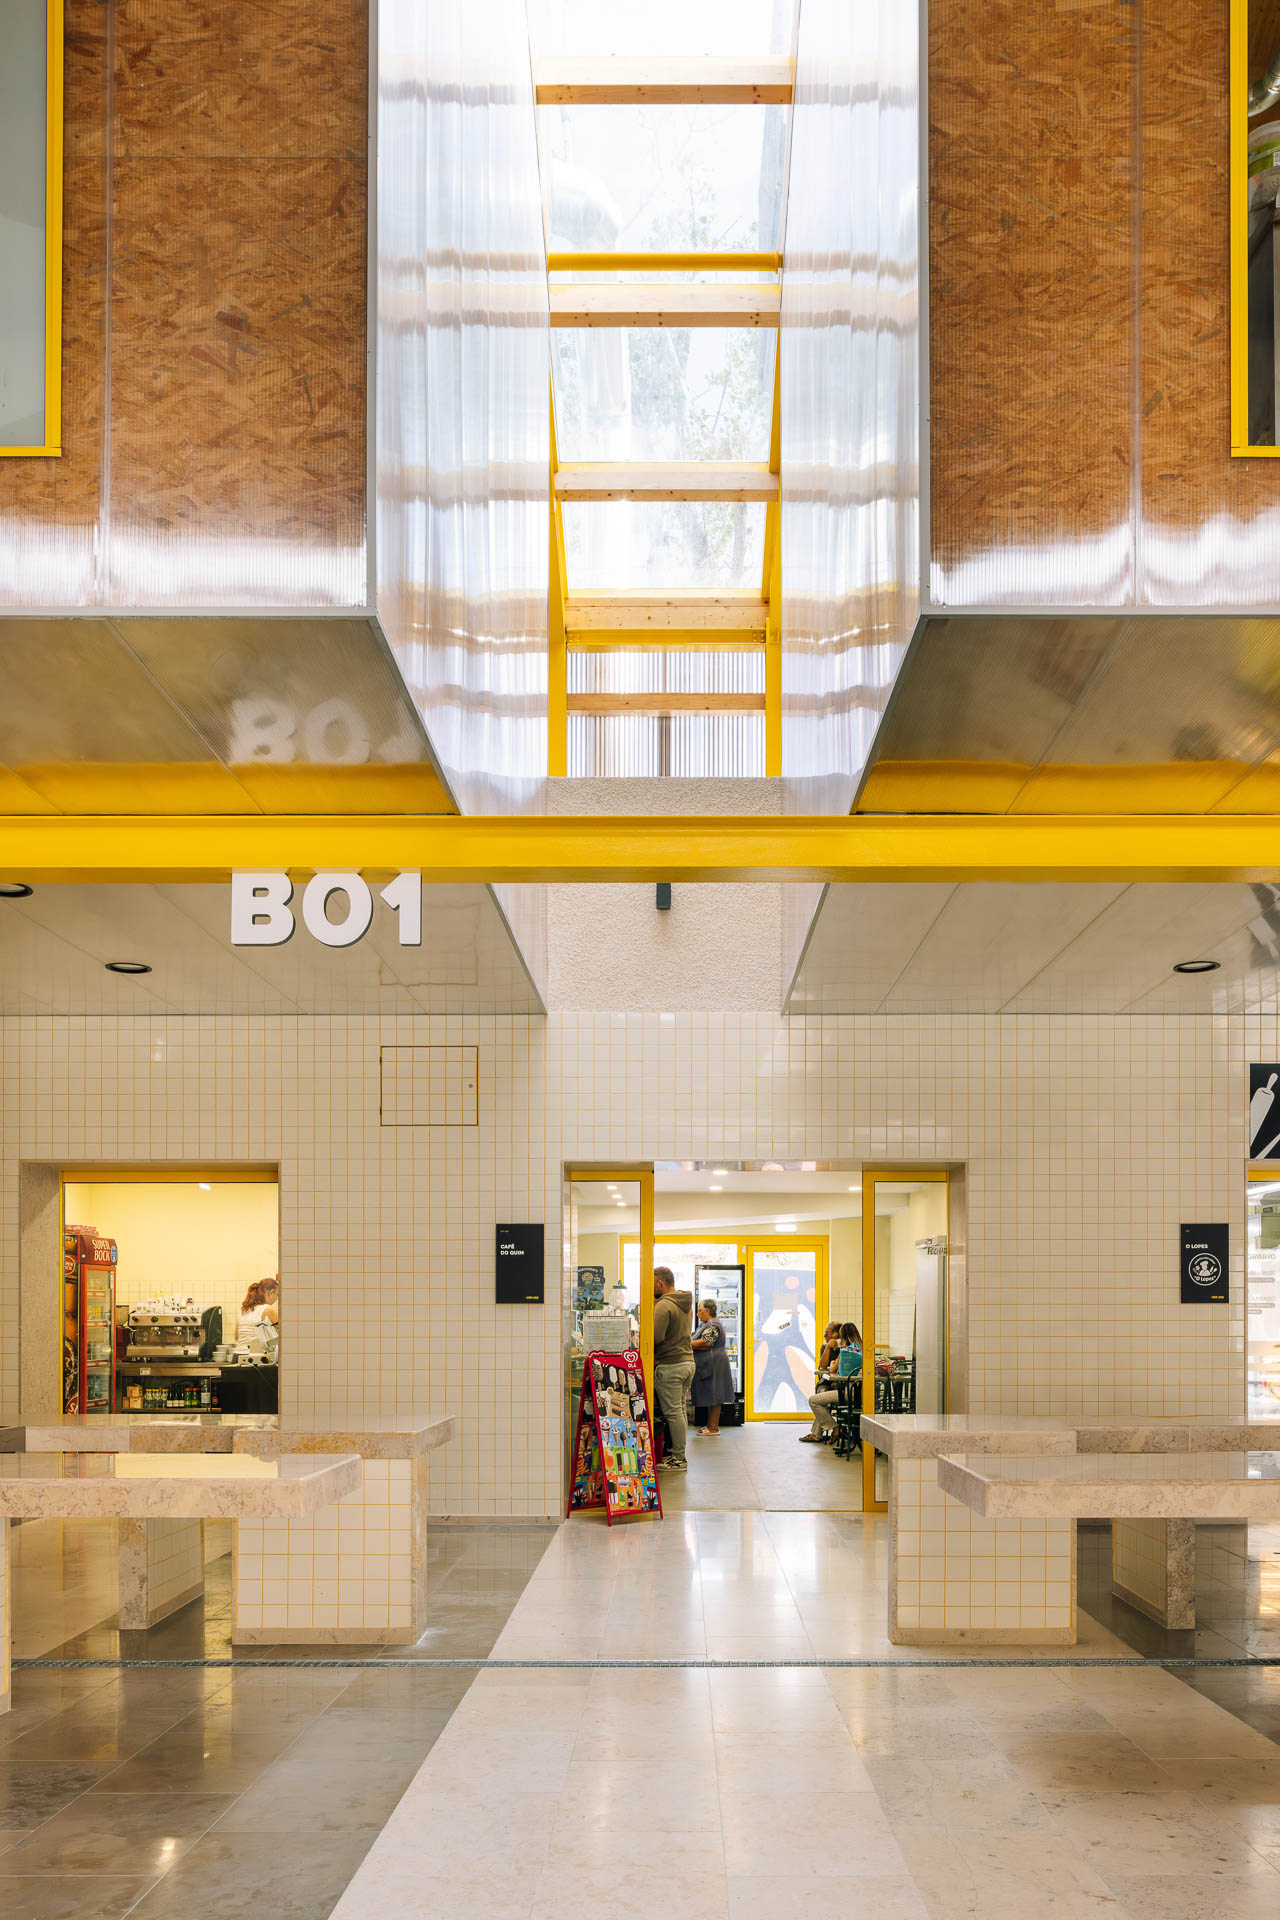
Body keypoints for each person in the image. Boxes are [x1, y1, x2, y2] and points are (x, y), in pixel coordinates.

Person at [652, 1266, 695, 1472]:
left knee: (673, 1413)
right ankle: (679, 1454)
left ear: (659, 1283)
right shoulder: (684, 1303)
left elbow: (655, 1338)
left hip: (671, 1364)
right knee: (680, 1411)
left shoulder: (663, 1305)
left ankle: (679, 1458)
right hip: (687, 1362)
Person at [800, 1320, 862, 1445]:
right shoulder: (861, 1350)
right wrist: (828, 1348)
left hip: (846, 1390)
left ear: (839, 1335)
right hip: (855, 1390)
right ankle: (817, 1434)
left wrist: (835, 1361)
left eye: (827, 1333)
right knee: (822, 1397)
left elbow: (833, 1369)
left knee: (815, 1400)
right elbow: (823, 1366)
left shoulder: (846, 1351)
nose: (825, 1336)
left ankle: (835, 1428)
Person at [691, 1298, 735, 1437]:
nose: (698, 1314)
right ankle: (710, 1425)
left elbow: (706, 1343)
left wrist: (684, 1343)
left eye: (699, 1311)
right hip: (712, 1363)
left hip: (715, 1364)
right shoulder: (708, 1324)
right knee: (712, 1394)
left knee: (716, 1395)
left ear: (707, 1311)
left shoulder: (713, 1325)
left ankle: (713, 1427)